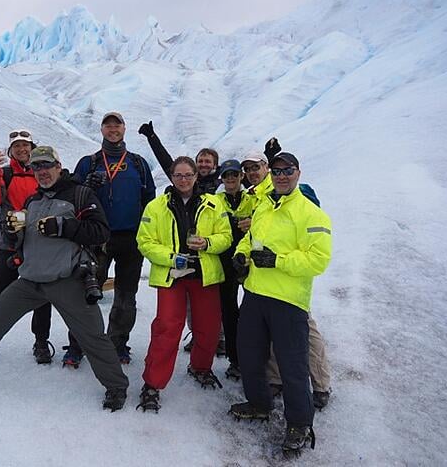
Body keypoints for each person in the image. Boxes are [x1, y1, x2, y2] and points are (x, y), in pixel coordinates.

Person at [0, 146, 129, 412]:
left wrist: (64, 226)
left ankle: (116, 387)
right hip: (30, 280)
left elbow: (100, 232)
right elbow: (23, 242)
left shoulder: (80, 194)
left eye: (46, 165)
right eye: (36, 167)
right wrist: (13, 232)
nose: (42, 171)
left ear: (58, 165)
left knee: (92, 337)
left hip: (67, 280)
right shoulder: (32, 202)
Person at [229, 152, 332, 456]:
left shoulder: (311, 213)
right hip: (255, 294)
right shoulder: (263, 206)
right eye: (277, 171)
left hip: (288, 300)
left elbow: (318, 260)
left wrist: (279, 261)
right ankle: (259, 404)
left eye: (287, 170)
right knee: (249, 355)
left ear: (298, 173)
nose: (282, 175)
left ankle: (299, 423)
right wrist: (242, 254)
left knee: (292, 366)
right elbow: (251, 239)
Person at [135, 157, 232, 412]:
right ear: (171, 177)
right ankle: (152, 383)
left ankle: (200, 367)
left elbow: (226, 236)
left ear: (196, 176)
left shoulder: (214, 204)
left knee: (209, 328)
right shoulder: (156, 207)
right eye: (178, 175)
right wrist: (171, 258)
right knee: (167, 327)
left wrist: (208, 244)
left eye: (188, 175)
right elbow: (144, 241)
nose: (184, 180)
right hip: (172, 276)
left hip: (204, 275)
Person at [65, 112, 156, 366]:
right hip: (96, 238)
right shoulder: (89, 163)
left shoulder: (138, 163)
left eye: (117, 125)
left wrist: (145, 232)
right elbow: (72, 196)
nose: (113, 129)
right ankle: (78, 345)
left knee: (126, 297)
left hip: (131, 239)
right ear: (102, 130)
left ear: (124, 129)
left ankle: (118, 345)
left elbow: (150, 199)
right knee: (86, 294)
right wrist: (87, 186)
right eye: (108, 125)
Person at [138, 120, 223, 353]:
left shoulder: (222, 184)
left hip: (213, 257)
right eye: (201, 160)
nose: (184, 179)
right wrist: (152, 138)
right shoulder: (167, 196)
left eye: (208, 162)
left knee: (214, 313)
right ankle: (196, 337)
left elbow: (254, 182)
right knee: (176, 315)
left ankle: (216, 341)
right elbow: (168, 163)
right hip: (178, 264)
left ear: (215, 166)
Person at [0, 129, 53, 364]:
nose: (22, 150)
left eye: (26, 145)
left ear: (32, 148)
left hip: (39, 243)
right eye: (17, 146)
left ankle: (41, 342)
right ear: (10, 151)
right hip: (11, 243)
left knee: (42, 296)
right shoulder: (6, 174)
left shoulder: (43, 172)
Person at [216, 159, 256, 381]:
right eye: (226, 176)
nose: (230, 179)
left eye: (234, 175)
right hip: (224, 263)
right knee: (229, 313)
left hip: (250, 262)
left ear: (242, 176)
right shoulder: (215, 200)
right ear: (221, 179)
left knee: (252, 314)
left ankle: (255, 358)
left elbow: (266, 221)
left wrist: (253, 221)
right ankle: (235, 359)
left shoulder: (254, 200)